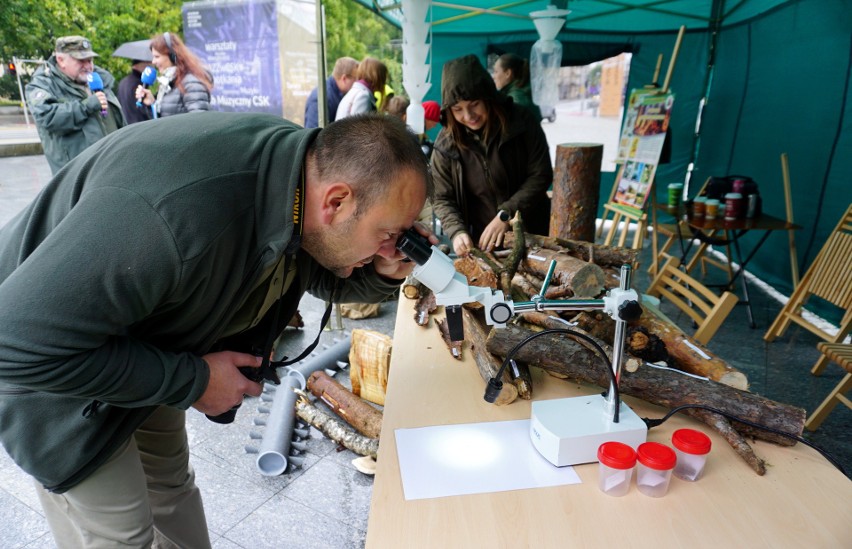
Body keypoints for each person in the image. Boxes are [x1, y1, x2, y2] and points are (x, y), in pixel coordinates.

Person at [0, 112, 434, 548]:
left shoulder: (301, 175)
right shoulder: (175, 214)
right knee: (123, 536)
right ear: (336, 201)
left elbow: (317, 262)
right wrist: (195, 381)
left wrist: (385, 271)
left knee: (171, 492)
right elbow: (15, 342)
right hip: (51, 373)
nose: (392, 246)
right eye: (387, 233)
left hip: (149, 337)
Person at [431, 54, 552, 257]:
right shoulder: (445, 144)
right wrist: (457, 231)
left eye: (474, 104)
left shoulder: (521, 122)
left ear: (488, 97)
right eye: (458, 109)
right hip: (486, 243)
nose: (468, 116)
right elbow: (441, 197)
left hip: (535, 236)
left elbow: (540, 175)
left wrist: (506, 214)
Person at [25, 35, 125, 174]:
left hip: (114, 165)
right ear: (61, 60)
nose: (88, 66)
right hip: (78, 175)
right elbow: (48, 117)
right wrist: (87, 106)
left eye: (89, 60)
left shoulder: (100, 80)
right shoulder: (43, 84)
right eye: (81, 61)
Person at [135, 32, 213, 117]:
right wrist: (152, 104)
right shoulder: (169, 83)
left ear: (173, 56)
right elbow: (167, 119)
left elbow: (199, 121)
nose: (153, 62)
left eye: (157, 57)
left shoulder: (191, 83)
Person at [303, 56, 358, 128]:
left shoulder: (336, 94)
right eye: (356, 79)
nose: (358, 82)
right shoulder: (321, 98)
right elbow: (313, 131)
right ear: (344, 78)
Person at [492, 52, 542, 121]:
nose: (493, 77)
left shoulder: (516, 99)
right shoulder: (521, 91)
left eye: (496, 71)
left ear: (508, 73)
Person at [118, 59, 154, 124]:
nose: (152, 65)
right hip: (139, 126)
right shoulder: (140, 85)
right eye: (149, 62)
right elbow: (143, 110)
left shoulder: (123, 82)